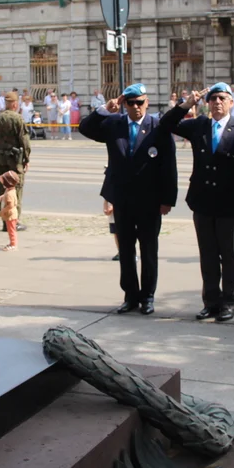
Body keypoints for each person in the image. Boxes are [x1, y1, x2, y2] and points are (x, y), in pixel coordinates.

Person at [79, 83, 177, 315]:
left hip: (150, 200)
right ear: (125, 104)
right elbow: (85, 128)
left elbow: (169, 166)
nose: (135, 107)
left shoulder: (157, 126)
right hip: (122, 199)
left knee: (149, 249)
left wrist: (167, 199)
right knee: (125, 250)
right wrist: (105, 108)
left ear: (147, 102)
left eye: (140, 102)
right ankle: (130, 296)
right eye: (130, 103)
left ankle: (148, 297)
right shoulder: (115, 124)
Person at [159, 82, 234, 322]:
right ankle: (211, 302)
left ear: (231, 102)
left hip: (230, 204)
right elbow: (167, 124)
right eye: (213, 99)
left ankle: (229, 302)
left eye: (222, 98)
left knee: (229, 256)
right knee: (208, 255)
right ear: (207, 103)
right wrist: (187, 104)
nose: (217, 103)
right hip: (203, 201)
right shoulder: (199, 125)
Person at [0, 90, 30, 231]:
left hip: (2, 160)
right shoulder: (18, 119)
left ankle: (5, 220)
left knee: (3, 189)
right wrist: (26, 159)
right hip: (15, 161)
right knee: (15, 189)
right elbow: (24, 141)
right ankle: (14, 221)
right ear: (15, 104)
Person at [0, 170, 20, 251]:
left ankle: (13, 244)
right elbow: (6, 195)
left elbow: (10, 205)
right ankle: (12, 242)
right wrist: (1, 197)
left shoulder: (10, 193)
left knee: (11, 230)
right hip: (11, 214)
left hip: (10, 215)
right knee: (10, 229)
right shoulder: (10, 190)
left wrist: (2, 211)